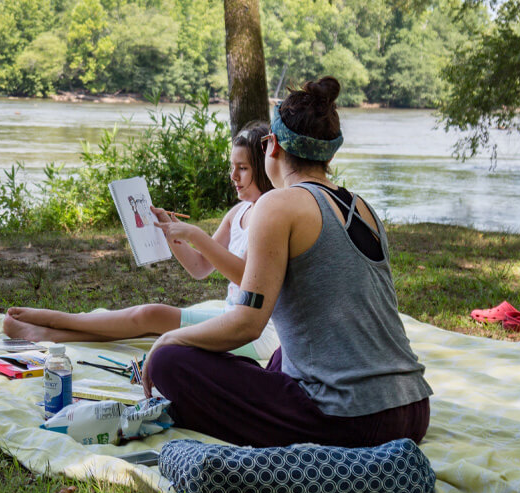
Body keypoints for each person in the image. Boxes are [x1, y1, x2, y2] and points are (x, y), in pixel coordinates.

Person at [142, 76, 433, 448]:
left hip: (352, 419)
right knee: (281, 355)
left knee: (169, 361)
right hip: (413, 408)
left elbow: (246, 324)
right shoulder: (363, 207)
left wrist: (169, 338)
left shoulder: (275, 204)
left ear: (272, 146)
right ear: (328, 155)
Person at [3, 122, 280, 362]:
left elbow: (249, 279)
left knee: (150, 316)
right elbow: (199, 268)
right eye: (232, 167)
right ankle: (49, 333)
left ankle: (54, 320)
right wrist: (171, 233)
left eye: (242, 168)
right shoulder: (239, 212)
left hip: (257, 332)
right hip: (233, 315)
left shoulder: (269, 215)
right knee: (149, 323)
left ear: (264, 168)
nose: (233, 177)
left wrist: (196, 235)